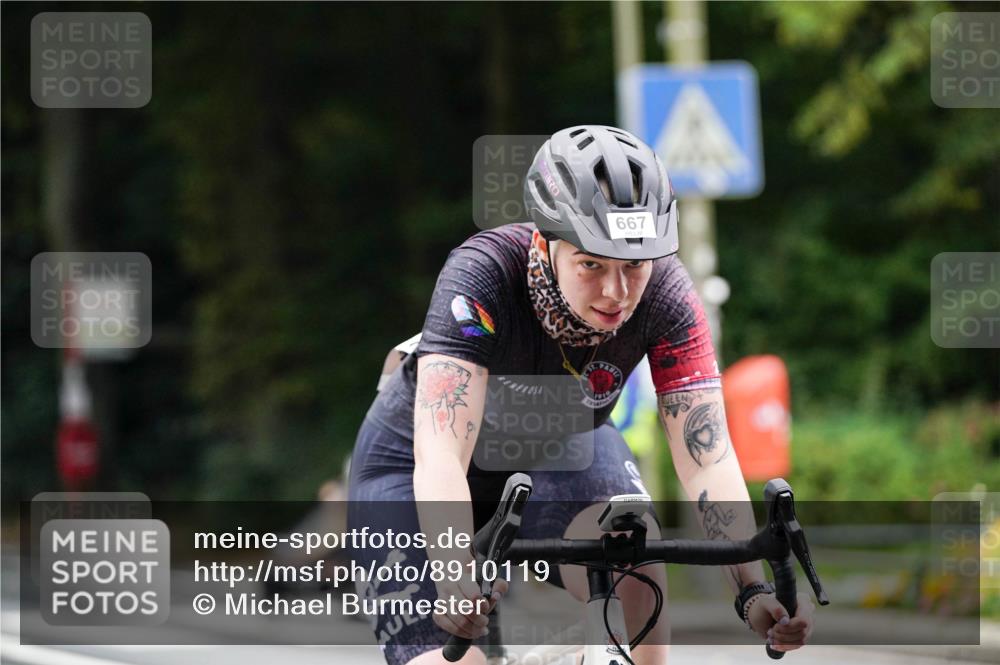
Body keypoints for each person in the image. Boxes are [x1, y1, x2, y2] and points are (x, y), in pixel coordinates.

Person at [347, 125, 815, 665]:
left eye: (634, 265)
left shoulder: (667, 295)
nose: (616, 293)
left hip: (562, 449)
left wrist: (751, 590)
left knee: (638, 573)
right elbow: (441, 454)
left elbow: (706, 459)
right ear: (545, 244)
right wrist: (455, 578)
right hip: (413, 465)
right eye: (591, 263)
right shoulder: (483, 275)